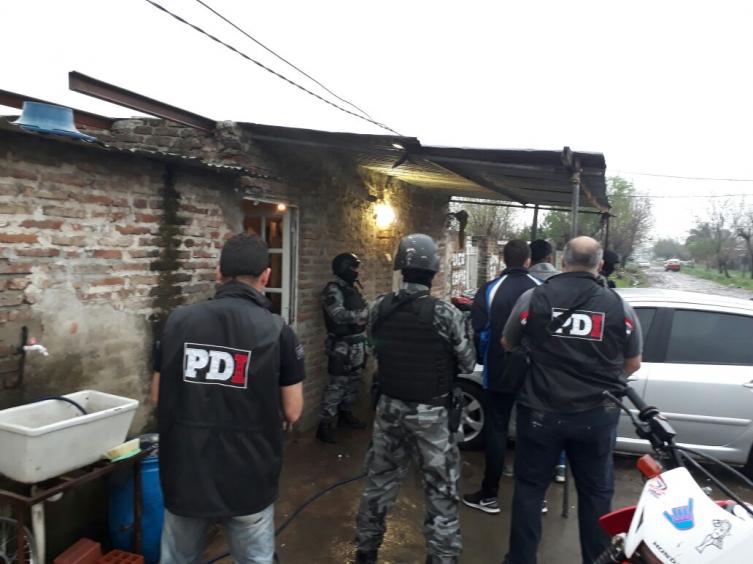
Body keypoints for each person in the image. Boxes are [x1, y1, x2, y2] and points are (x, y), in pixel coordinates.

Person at [153, 233, 305, 564]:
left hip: (186, 470)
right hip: (249, 473)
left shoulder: (178, 322)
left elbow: (157, 396)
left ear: (219, 272)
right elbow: (293, 410)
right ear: (266, 276)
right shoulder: (277, 331)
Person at [501, 236, 643, 564]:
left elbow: (508, 342)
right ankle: (597, 559)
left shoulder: (533, 297)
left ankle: (521, 560)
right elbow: (633, 363)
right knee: (596, 494)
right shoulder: (619, 305)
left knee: (530, 490)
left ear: (562, 261)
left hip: (540, 413)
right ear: (600, 265)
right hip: (596, 415)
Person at [355, 233, 475, 564]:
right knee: (441, 489)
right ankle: (441, 557)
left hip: (389, 409)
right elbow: (467, 363)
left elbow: (372, 348)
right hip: (431, 415)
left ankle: (366, 550)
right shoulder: (445, 313)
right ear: (433, 271)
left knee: (379, 482)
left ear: (401, 268)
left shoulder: (378, 307)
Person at [462, 240, 542, 515]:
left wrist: (485, 359)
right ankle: (536, 498)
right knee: (532, 432)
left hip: (500, 368)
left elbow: (480, 329)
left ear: (504, 259)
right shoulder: (542, 289)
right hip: (534, 372)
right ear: (528, 260)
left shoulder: (490, 289)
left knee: (496, 430)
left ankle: (489, 496)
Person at [316, 252, 369, 443]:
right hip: (341, 345)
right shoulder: (333, 290)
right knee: (337, 384)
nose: (356, 272)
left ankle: (345, 414)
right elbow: (337, 315)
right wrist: (362, 315)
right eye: (353, 268)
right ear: (343, 268)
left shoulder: (352, 289)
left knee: (353, 382)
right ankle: (325, 425)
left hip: (356, 342)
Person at [528, 239, 567, 485]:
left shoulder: (528, 287)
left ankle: (535, 469)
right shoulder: (561, 285)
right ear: (551, 258)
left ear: (529, 258)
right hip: (562, 363)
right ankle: (560, 465)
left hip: (533, 363)